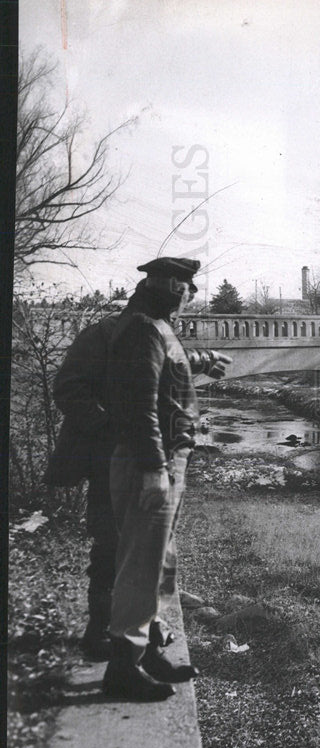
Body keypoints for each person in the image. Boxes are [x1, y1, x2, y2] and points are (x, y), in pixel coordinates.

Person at [47, 297, 231, 662]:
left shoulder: (152, 332)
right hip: (107, 457)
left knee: (154, 543)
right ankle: (99, 630)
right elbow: (68, 388)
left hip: (149, 456)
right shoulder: (101, 335)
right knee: (110, 542)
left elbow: (166, 363)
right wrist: (110, 429)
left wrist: (205, 360)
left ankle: (147, 624)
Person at [101, 256, 212, 701]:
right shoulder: (145, 328)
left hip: (168, 456)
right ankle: (122, 668)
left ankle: (148, 650)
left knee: (161, 560)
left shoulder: (155, 326)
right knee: (142, 564)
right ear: (169, 286)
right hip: (152, 459)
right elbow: (140, 403)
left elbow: (166, 381)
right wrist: (152, 467)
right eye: (188, 287)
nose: (192, 296)